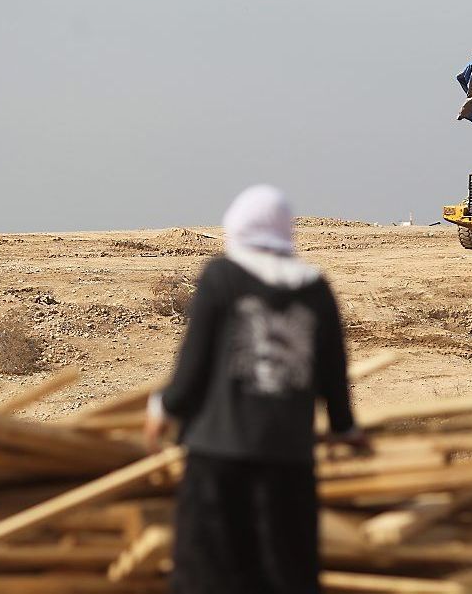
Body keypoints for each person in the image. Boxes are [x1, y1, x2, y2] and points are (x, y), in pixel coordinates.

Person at [144, 185, 366, 594]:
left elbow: (193, 367)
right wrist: (345, 428)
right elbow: (333, 373)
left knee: (207, 577)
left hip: (217, 458)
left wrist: (164, 409)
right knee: (285, 576)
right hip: (288, 462)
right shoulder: (315, 289)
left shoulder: (222, 277)